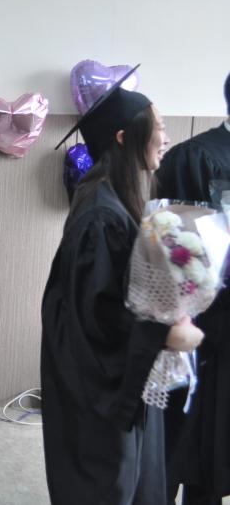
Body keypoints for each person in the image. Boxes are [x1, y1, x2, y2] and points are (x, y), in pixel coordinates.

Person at [41, 68, 205, 504]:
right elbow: (98, 316)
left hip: (121, 385)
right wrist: (165, 333)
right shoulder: (102, 215)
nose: (165, 138)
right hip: (101, 393)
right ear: (123, 136)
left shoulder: (112, 198)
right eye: (160, 127)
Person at [158, 71, 230, 505]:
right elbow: (176, 249)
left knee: (218, 448)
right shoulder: (196, 158)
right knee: (180, 435)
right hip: (198, 324)